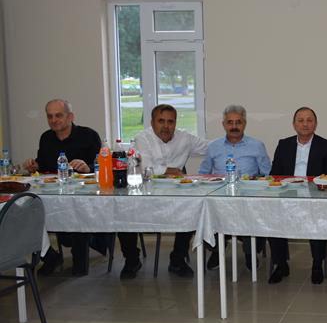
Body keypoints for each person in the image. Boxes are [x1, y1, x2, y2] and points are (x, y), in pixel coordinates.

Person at [116, 104, 208, 279]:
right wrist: (170, 170)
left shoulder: (184, 138)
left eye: (170, 122)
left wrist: (232, 140)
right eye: (161, 121)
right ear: (152, 122)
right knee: (124, 210)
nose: (166, 126)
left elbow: (210, 147)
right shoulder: (142, 138)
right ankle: (132, 260)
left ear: (175, 123)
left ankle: (178, 259)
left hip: (176, 193)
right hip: (146, 192)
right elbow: (146, 167)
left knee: (190, 209)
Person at [23, 99, 104, 276]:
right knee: (27, 208)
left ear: (70, 117)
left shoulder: (89, 135)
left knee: (76, 209)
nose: (54, 120)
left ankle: (80, 257)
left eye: (58, 115)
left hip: (84, 195)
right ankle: (50, 256)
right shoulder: (46, 138)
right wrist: (34, 166)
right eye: (50, 116)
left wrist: (88, 167)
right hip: (54, 191)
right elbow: (43, 165)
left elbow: (102, 166)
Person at [268, 107, 327, 284]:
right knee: (272, 215)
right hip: (287, 195)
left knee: (318, 215)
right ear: (294, 124)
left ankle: (317, 264)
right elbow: (274, 174)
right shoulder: (284, 144)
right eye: (300, 120)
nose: (305, 124)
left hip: (314, 197)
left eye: (309, 120)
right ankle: (281, 264)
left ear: (315, 124)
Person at [199, 104, 271, 271]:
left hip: (249, 197)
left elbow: (268, 174)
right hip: (219, 196)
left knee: (254, 212)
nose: (234, 126)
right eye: (230, 122)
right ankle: (216, 250)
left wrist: (258, 182)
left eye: (238, 122)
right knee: (206, 211)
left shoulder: (257, 145)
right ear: (223, 124)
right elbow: (203, 173)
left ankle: (250, 252)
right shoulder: (213, 146)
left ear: (244, 124)